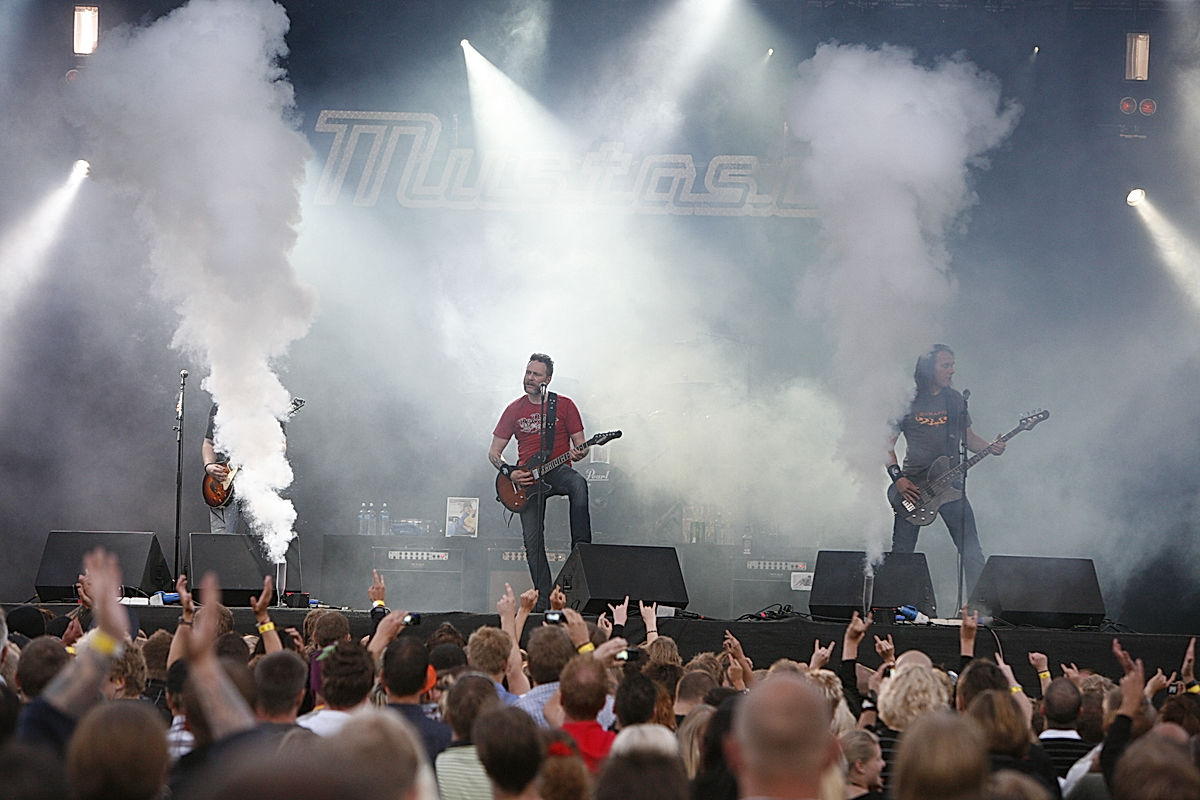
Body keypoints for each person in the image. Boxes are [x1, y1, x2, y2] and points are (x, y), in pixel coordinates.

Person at [886, 345, 1005, 593]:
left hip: (951, 485)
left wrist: (991, 447)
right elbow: (886, 445)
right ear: (929, 368)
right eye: (946, 365)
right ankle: (894, 609)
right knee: (902, 553)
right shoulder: (907, 401)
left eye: (952, 364)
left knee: (971, 551)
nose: (952, 370)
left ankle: (979, 609)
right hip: (915, 487)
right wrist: (898, 479)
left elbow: (968, 438)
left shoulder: (954, 400)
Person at [489, 353, 592, 608]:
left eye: (536, 374)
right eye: (528, 372)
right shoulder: (514, 409)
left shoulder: (565, 405)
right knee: (532, 540)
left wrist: (582, 452)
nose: (529, 378)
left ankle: (581, 553)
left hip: (558, 469)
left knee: (578, 484)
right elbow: (494, 452)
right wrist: (509, 472)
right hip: (527, 478)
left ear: (548, 379)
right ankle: (544, 598)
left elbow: (581, 446)